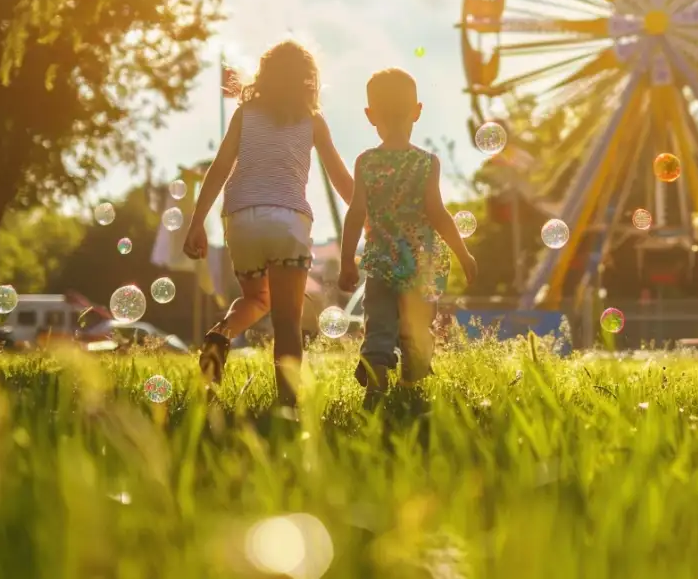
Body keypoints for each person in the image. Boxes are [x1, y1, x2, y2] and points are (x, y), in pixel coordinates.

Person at [182, 40, 355, 407]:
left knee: (255, 298)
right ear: (307, 80)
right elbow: (340, 179)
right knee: (288, 323)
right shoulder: (313, 120)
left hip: (241, 218)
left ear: (265, 76)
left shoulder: (245, 114)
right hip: (288, 220)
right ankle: (288, 407)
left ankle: (219, 337)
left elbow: (219, 169)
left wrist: (197, 222)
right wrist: (369, 218)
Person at [337, 68, 477, 402]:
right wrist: (463, 253)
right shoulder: (427, 163)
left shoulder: (365, 162)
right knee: (416, 329)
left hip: (382, 263)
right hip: (419, 264)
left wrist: (346, 262)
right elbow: (437, 213)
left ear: (370, 116)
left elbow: (355, 213)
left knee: (380, 326)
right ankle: (411, 386)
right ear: (417, 110)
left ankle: (375, 388)